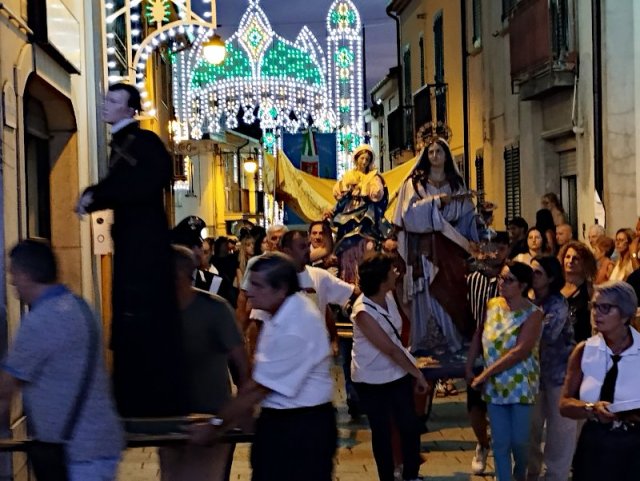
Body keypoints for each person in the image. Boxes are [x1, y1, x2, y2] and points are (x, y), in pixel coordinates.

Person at [75, 82, 185, 417]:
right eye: (106, 99)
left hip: (143, 247)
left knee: (144, 317)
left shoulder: (144, 142)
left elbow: (139, 182)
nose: (105, 105)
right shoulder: (128, 143)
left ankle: (147, 399)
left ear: (130, 109)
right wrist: (98, 195)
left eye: (112, 100)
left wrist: (97, 195)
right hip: (135, 245)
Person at [189, 253, 337, 481]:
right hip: (280, 423)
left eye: (258, 285)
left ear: (281, 289)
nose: (248, 290)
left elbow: (258, 389)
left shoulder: (295, 324)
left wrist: (216, 424)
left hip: (301, 430)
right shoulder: (277, 312)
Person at [1, 240, 124, 480]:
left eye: (13, 273)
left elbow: (5, 389)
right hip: (100, 445)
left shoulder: (40, 321)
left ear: (25, 274)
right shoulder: (82, 307)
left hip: (77, 455)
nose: (12, 282)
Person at [159, 246, 249, 481]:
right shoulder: (158, 313)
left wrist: (238, 411)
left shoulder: (215, 309)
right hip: (171, 419)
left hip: (210, 417)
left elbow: (240, 363)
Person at [394, 137, 478, 352]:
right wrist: (437, 202)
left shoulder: (456, 184)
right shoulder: (415, 184)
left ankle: (453, 338)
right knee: (429, 291)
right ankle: (427, 339)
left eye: (438, 151)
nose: (434, 156)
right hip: (425, 250)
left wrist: (478, 230)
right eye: (430, 152)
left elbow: (467, 215)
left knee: (453, 290)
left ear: (446, 155)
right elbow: (408, 214)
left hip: (451, 248)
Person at [351, 253, 428, 481]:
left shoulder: (389, 295)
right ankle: (386, 476)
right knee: (382, 430)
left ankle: (411, 474)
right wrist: (418, 374)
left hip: (396, 372)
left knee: (410, 425)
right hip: (371, 379)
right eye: (391, 271)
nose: (395, 273)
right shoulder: (363, 311)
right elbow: (390, 348)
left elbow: (399, 336)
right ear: (381, 279)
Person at [466, 262, 543, 481]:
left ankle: (519, 474)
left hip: (521, 384)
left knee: (520, 442)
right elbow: (478, 334)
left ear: (523, 285)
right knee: (500, 442)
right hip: (495, 386)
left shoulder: (533, 314)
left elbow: (519, 351)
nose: (502, 284)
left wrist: (485, 374)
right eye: (501, 278)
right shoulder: (492, 305)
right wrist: (470, 366)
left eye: (509, 280)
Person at [559, 281, 640, 481]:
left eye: (605, 307)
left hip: (635, 448)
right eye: (594, 306)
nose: (596, 313)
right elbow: (564, 404)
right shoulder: (584, 350)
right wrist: (591, 408)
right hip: (594, 445)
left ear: (625, 315)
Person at [526, 256, 576, 481]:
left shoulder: (558, 304)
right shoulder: (526, 301)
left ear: (551, 278)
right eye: (531, 271)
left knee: (560, 431)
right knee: (531, 428)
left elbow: (545, 335)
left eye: (538, 273)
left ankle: (555, 476)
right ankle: (530, 471)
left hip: (558, 375)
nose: (532, 276)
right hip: (533, 376)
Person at [465, 231, 511, 475]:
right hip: (480, 346)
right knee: (475, 405)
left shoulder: (513, 278)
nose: (495, 252)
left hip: (507, 352)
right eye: (491, 246)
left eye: (501, 248)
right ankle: (483, 442)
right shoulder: (472, 278)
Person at [329, 144, 392, 284]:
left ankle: (367, 277)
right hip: (349, 212)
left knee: (367, 240)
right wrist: (349, 188)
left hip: (366, 212)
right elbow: (338, 192)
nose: (364, 162)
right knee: (347, 242)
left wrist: (366, 189)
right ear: (356, 159)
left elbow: (378, 194)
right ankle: (348, 279)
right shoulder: (349, 175)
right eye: (362, 158)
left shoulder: (373, 176)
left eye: (367, 159)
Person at [559, 241, 597, 343]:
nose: (570, 261)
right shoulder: (555, 286)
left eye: (575, 258)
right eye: (567, 257)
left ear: (584, 262)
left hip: (581, 345)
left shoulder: (590, 290)